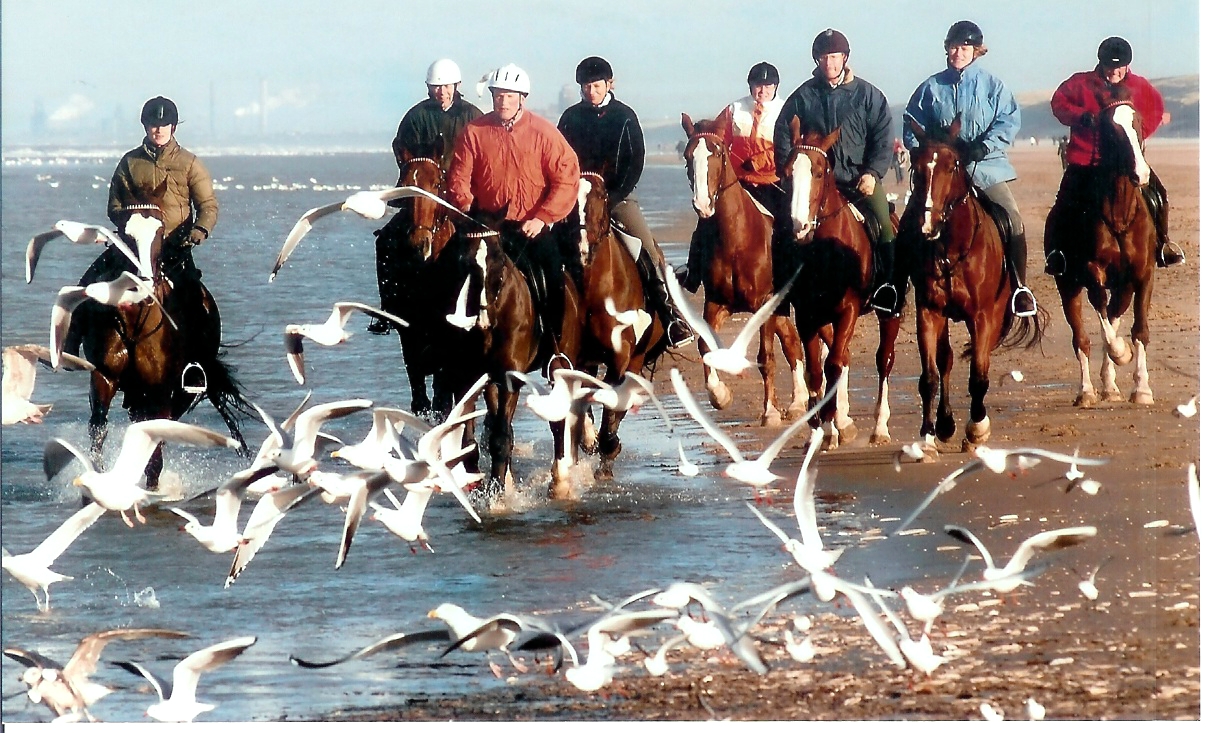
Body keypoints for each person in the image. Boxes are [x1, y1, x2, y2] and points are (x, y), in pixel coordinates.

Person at [63, 96, 219, 356]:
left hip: (173, 247)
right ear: (145, 127)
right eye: (153, 124)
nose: (158, 130)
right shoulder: (129, 162)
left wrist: (198, 231)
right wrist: (131, 220)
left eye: (164, 124)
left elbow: (208, 206)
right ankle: (69, 347)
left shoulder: (190, 163)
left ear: (174, 127)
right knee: (88, 284)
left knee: (194, 299)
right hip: (132, 245)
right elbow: (113, 206)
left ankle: (200, 364)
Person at [557, 56, 694, 348]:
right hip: (573, 198)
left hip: (617, 197)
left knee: (646, 247)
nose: (590, 91)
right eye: (585, 86)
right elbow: (559, 159)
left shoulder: (624, 116)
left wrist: (613, 197)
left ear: (610, 84)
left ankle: (671, 317)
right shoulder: (570, 118)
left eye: (595, 85)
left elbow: (636, 161)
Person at [903, 20, 1037, 317]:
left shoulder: (993, 86)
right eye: (953, 47)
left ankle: (1019, 289)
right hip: (941, 173)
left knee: (1012, 219)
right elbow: (911, 122)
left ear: (976, 51)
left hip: (985, 167)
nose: (957, 53)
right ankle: (895, 287)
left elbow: (1008, 121)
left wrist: (982, 146)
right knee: (908, 222)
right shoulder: (930, 87)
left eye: (964, 48)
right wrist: (922, 147)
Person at [446, 63, 581, 355]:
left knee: (554, 276)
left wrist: (543, 218)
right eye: (498, 95)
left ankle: (556, 351)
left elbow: (566, 176)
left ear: (522, 98)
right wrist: (470, 208)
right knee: (451, 271)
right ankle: (450, 353)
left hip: (529, 226)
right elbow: (458, 175)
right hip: (487, 227)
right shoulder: (474, 132)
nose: (503, 101)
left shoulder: (544, 132)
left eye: (509, 96)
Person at [773, 29, 899, 314]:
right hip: (816, 183)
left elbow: (883, 136)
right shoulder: (803, 96)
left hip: (858, 179)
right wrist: (789, 170)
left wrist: (873, 173)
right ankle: (782, 292)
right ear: (817, 60)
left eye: (833, 57)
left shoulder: (868, 95)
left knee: (885, 224)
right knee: (783, 227)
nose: (828, 63)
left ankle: (889, 288)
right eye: (823, 57)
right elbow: (783, 131)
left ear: (844, 58)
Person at [368, 59, 485, 334]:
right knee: (385, 241)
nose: (441, 92)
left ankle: (485, 304)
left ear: (456, 86)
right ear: (429, 88)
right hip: (423, 198)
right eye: (436, 87)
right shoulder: (415, 117)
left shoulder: (473, 116)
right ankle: (388, 308)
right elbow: (403, 154)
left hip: (462, 199)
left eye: (446, 86)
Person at [1048, 36, 1183, 270]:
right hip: (1085, 161)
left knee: (1158, 194)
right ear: (1101, 63)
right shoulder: (1080, 83)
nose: (1114, 72)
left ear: (1127, 65)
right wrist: (1080, 116)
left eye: (1119, 67)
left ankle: (1162, 244)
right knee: (1064, 203)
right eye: (1110, 66)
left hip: (1126, 162)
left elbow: (1154, 110)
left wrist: (1136, 137)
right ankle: (1057, 253)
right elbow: (1058, 103)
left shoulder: (1140, 86)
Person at [680, 61, 788, 295]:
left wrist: (760, 162)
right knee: (705, 222)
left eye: (768, 86)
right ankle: (692, 271)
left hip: (771, 181)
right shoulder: (734, 110)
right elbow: (718, 140)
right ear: (751, 86)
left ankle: (787, 275)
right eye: (759, 86)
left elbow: (787, 149)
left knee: (786, 226)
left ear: (776, 87)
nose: (763, 91)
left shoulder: (784, 111)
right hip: (737, 182)